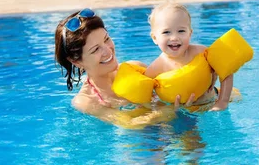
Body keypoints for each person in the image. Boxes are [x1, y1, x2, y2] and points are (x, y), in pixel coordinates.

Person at [54, 8, 197, 129]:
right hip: (142, 142)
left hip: (175, 125)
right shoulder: (87, 100)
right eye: (96, 49)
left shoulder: (136, 68)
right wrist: (171, 110)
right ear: (76, 61)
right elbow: (129, 124)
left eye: (106, 39)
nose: (108, 51)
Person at [144, 2, 234, 111]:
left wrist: (222, 101)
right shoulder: (155, 69)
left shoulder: (202, 52)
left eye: (181, 31)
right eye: (166, 32)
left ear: (190, 33)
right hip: (182, 110)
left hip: (211, 101)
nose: (174, 38)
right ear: (154, 38)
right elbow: (147, 99)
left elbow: (227, 71)